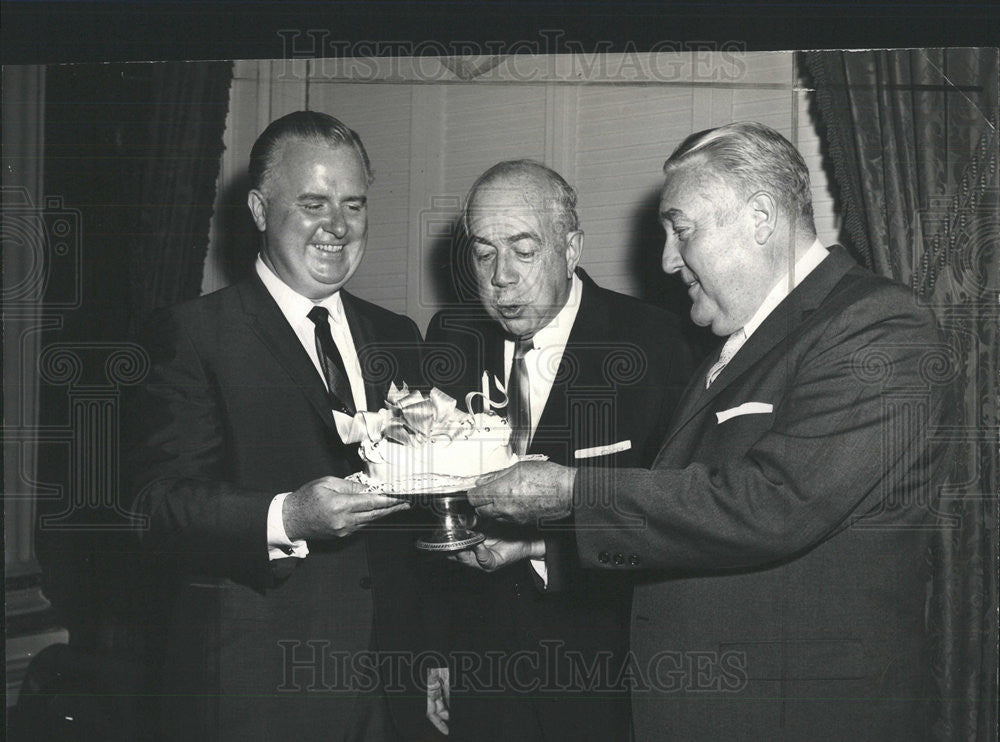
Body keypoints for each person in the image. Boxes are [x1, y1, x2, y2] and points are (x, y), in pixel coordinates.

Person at [467, 123, 955, 740]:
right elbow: (690, 521)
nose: (668, 259)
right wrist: (544, 548)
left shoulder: (877, 327)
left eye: (682, 230)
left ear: (759, 217)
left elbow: (773, 504)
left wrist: (570, 493)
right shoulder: (730, 346)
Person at [125, 111, 428, 741]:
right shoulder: (193, 333)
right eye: (313, 203)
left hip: (387, 687)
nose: (337, 227)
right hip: (254, 687)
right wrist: (288, 517)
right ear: (261, 210)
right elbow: (155, 507)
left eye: (353, 204)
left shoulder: (398, 336)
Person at [422, 160, 694, 741]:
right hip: (480, 673)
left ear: (572, 248)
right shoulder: (451, 337)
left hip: (604, 672)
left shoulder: (657, 343)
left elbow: (674, 521)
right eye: (483, 253)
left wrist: (541, 545)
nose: (501, 278)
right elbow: (427, 512)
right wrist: (436, 651)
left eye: (524, 250)